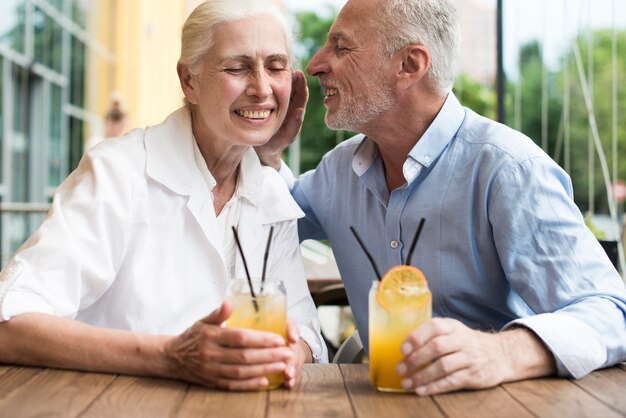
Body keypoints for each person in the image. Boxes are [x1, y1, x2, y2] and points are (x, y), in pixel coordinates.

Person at [256, 0, 626, 395]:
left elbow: (611, 313)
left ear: (409, 65)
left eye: (341, 48)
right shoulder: (337, 172)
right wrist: (267, 151)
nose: (314, 64)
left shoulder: (508, 170)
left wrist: (501, 352)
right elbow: (264, 230)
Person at [0, 0, 327, 391]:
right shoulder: (119, 172)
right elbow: (10, 323)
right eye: (237, 68)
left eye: (275, 67)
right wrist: (170, 356)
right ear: (189, 81)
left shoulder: (270, 187)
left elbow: (305, 329)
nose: (261, 88)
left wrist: (290, 354)